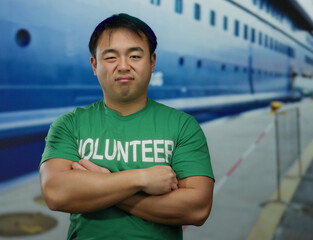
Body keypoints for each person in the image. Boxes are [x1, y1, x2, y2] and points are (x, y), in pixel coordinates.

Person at [39, 13, 214, 239]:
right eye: (111, 57)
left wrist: (101, 182)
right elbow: (56, 193)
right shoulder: (70, 125)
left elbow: (197, 208)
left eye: (134, 56)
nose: (123, 66)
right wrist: (141, 179)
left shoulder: (182, 126)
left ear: (152, 62)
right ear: (94, 65)